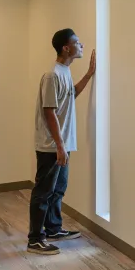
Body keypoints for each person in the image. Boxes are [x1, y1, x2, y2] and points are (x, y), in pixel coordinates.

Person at [27, 29, 96, 255]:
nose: (81, 45)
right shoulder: (51, 75)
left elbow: (70, 95)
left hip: (63, 144)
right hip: (51, 146)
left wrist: (88, 74)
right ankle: (35, 239)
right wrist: (58, 146)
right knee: (43, 192)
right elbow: (50, 111)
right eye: (77, 42)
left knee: (58, 189)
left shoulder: (64, 72)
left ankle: (53, 228)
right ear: (66, 48)